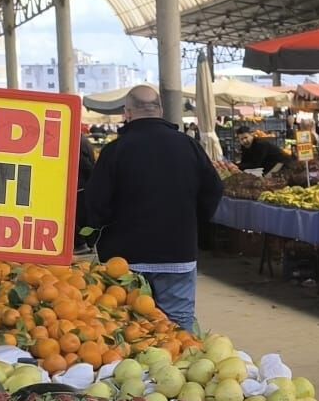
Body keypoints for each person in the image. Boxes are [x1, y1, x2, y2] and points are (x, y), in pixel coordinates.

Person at [78, 84, 224, 332]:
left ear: (128, 112)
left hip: (126, 259)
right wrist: (192, 224)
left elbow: (96, 202)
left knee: (129, 325)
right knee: (178, 324)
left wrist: (91, 233)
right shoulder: (188, 146)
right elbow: (214, 189)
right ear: (160, 109)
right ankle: (179, 367)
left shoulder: (116, 151)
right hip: (178, 253)